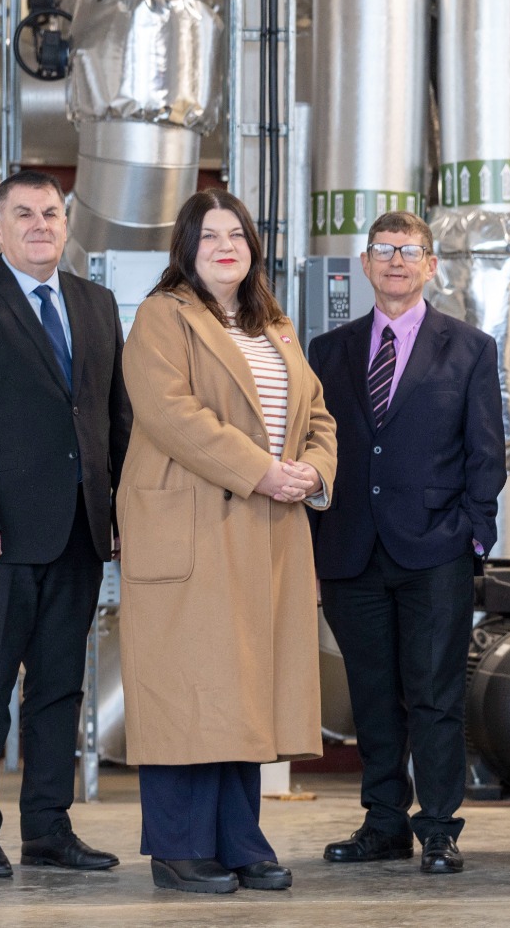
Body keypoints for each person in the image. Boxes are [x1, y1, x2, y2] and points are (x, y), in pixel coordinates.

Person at [117, 189, 338, 895]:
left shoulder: (274, 326)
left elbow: (320, 415)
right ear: (186, 246)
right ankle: (179, 846)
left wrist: (313, 471)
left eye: (236, 234)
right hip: (195, 523)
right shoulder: (163, 316)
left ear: (252, 247)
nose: (224, 245)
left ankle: (241, 838)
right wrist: (263, 470)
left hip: (266, 528)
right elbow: (170, 412)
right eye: (209, 234)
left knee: (247, 689)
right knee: (189, 688)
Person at [0, 169, 132, 878]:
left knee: (59, 687)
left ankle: (49, 827)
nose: (40, 223)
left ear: (66, 223)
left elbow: (115, 419)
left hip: (77, 530)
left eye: (51, 212)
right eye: (24, 214)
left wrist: (120, 510)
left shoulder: (96, 304)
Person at [309, 211, 506, 874]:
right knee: (371, 693)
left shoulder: (471, 348)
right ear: (365, 264)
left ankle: (441, 826)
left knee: (435, 694)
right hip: (349, 550)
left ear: (430, 265)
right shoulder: (327, 350)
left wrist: (475, 533)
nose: (396, 260)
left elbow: (487, 452)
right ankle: (384, 821)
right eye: (383, 250)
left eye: (409, 251)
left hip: (436, 549)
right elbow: (317, 447)